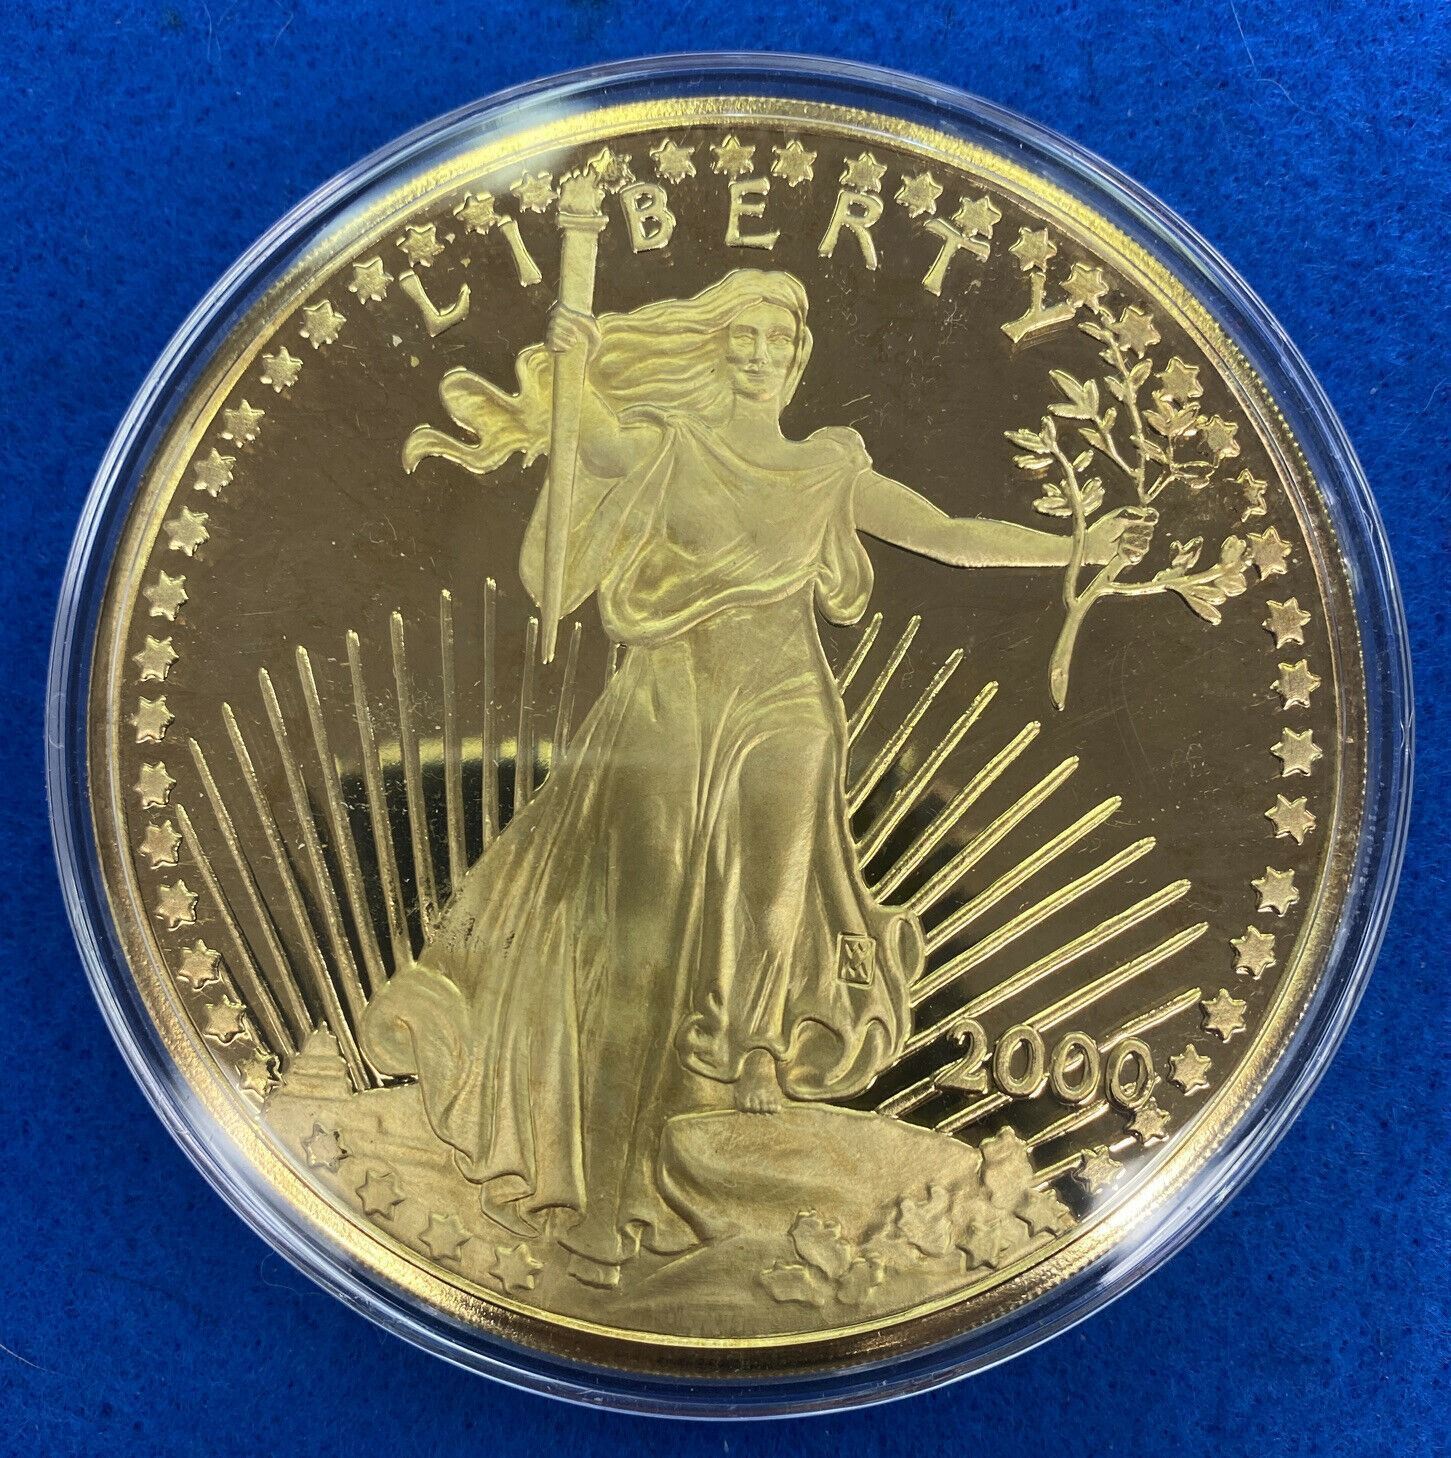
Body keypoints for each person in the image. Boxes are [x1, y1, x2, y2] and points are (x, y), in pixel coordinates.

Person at [362, 269, 1154, 1288]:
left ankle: (753, 1053)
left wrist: (1076, 545)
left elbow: (945, 535)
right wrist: (573, 379)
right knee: (643, 927)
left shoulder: (826, 465)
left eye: (778, 342)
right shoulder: (667, 446)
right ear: (714, 348)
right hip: (670, 700)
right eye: (742, 338)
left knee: (775, 894)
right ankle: (608, 1180)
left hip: (785, 696)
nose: (760, 356)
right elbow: (582, 474)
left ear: (799, 358)